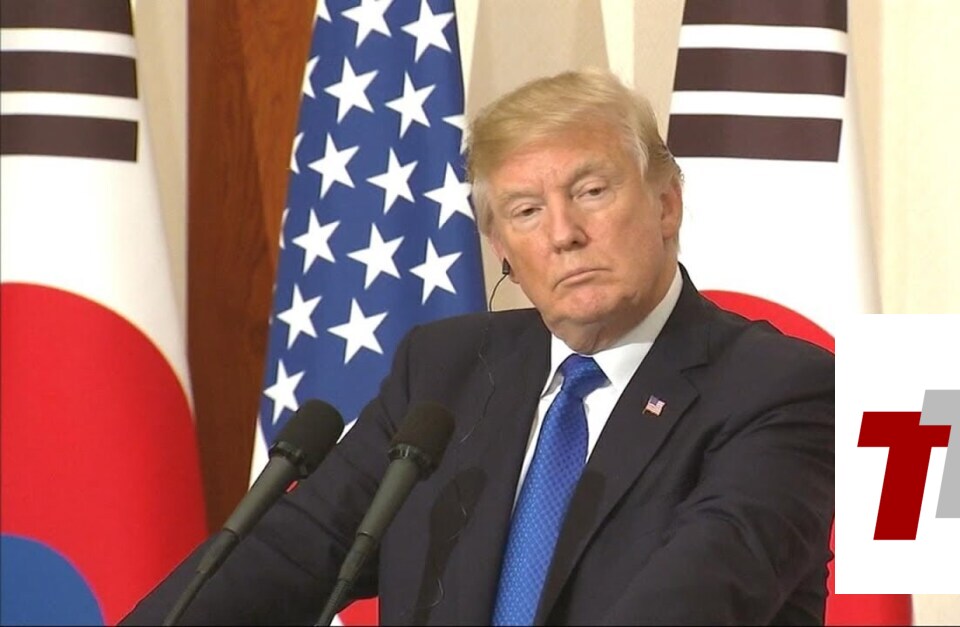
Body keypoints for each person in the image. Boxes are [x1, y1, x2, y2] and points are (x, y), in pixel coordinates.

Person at [123, 68, 834, 626]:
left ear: (666, 204)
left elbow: (695, 599)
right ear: (501, 249)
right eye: (526, 210)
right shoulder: (445, 371)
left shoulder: (779, 388)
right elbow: (294, 550)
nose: (563, 233)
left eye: (591, 191)